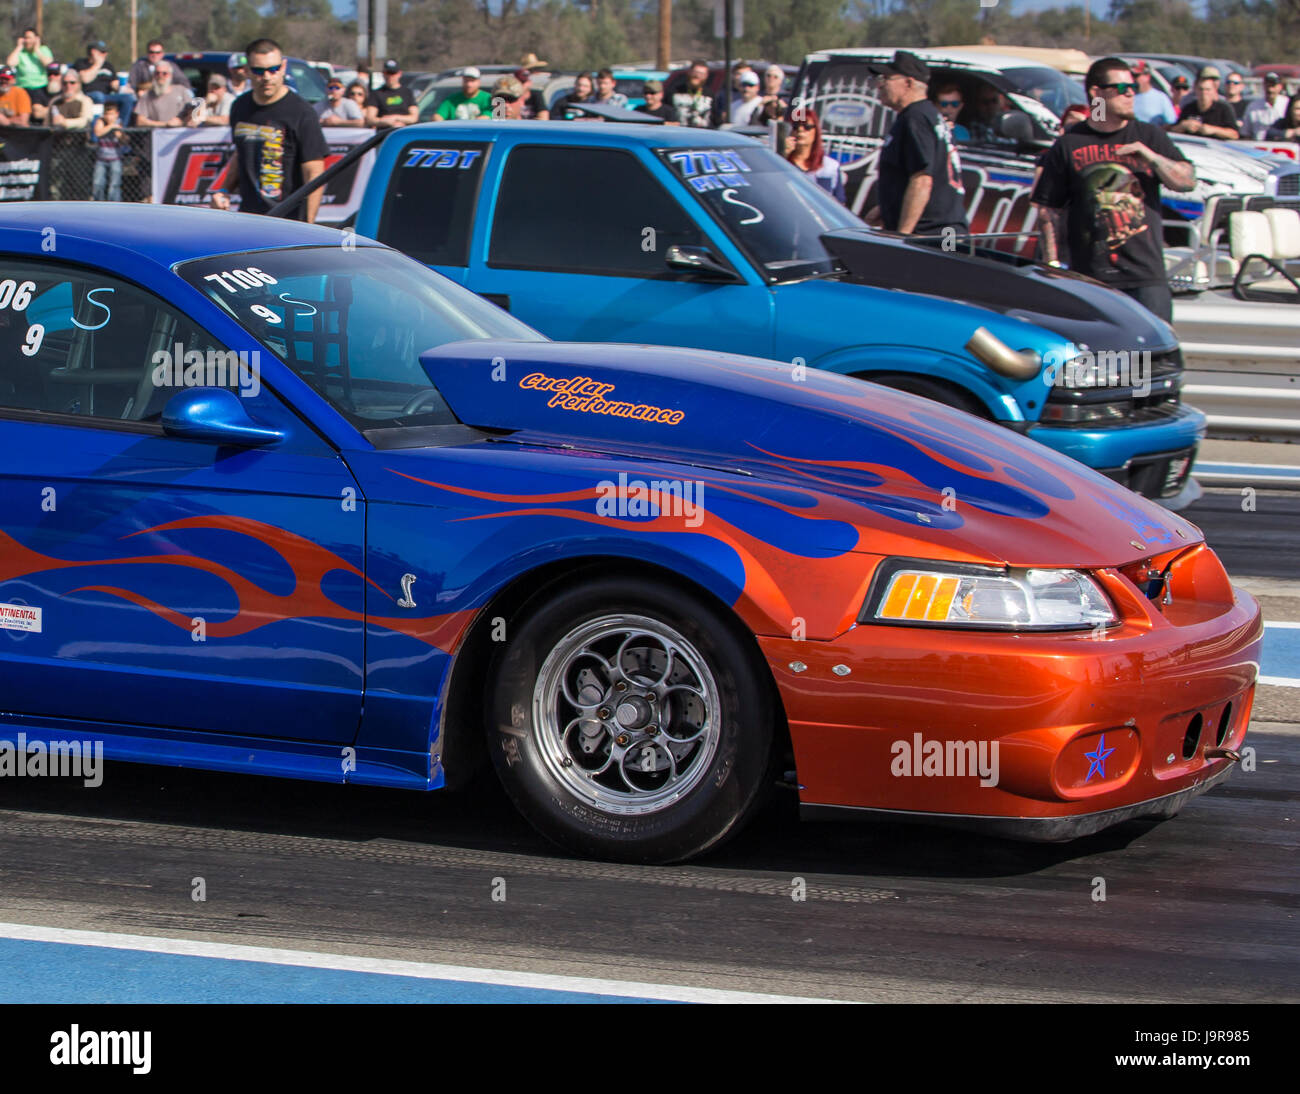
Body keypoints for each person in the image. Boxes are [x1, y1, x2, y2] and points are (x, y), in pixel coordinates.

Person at [1032, 57, 1195, 322]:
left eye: (1132, 87)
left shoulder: (1149, 136)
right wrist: (1052, 266)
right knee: (1100, 359)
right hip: (1090, 277)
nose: (1131, 93)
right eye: (1121, 88)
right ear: (1096, 93)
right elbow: (1049, 211)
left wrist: (1152, 158)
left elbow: (1187, 181)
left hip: (1146, 277)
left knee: (1150, 361)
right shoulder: (1069, 144)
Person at [210, 38, 327, 222]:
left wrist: (309, 225)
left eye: (274, 69)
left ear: (283, 66)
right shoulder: (240, 107)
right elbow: (240, 155)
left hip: (288, 220)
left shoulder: (301, 112)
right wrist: (224, 190)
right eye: (259, 71)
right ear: (247, 71)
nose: (267, 77)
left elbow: (314, 174)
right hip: (248, 217)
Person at [865, 50, 967, 236]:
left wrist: (903, 238)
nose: (879, 85)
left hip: (934, 236)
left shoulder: (916, 118)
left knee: (934, 265)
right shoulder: (925, 114)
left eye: (886, 78)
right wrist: (885, 209)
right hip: (944, 233)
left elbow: (922, 180)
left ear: (908, 83)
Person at [784, 109, 845, 201]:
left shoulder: (830, 166)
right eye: (795, 126)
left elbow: (839, 203)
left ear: (816, 131)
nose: (800, 130)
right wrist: (783, 156)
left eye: (806, 127)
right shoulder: (780, 161)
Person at [74, 40, 134, 125]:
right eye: (102, 52)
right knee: (99, 96)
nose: (105, 54)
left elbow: (114, 83)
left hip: (107, 96)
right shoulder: (81, 63)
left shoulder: (108, 65)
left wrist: (123, 88)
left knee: (128, 98)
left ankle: (120, 128)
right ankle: (98, 128)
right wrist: (98, 64)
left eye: (106, 52)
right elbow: (85, 79)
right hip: (89, 95)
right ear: (93, 52)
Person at [134, 63, 192, 128]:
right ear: (153, 75)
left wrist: (182, 122)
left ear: (170, 75)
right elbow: (140, 121)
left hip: (182, 135)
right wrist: (166, 124)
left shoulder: (181, 90)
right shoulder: (147, 95)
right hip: (158, 136)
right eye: (157, 73)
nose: (160, 76)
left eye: (164, 73)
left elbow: (192, 112)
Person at [366, 59, 417, 128]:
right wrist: (384, 121)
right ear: (383, 74)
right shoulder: (376, 94)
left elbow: (414, 117)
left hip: (404, 132)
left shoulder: (407, 92)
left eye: (393, 73)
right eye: (387, 73)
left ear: (399, 74)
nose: (390, 76)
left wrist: (395, 118)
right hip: (384, 133)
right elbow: (370, 119)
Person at [91, 102, 126, 202]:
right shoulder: (101, 121)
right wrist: (110, 126)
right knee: (97, 183)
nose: (109, 117)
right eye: (107, 114)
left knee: (114, 185)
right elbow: (98, 132)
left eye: (111, 114)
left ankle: (114, 205)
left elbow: (123, 139)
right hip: (101, 159)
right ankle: (99, 204)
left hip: (115, 159)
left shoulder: (119, 122)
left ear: (117, 114)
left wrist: (119, 133)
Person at [1243, 72, 1289, 139]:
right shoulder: (1253, 106)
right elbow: (1246, 133)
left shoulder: (1287, 104)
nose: (1270, 89)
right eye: (1267, 85)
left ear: (1280, 87)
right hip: (1258, 145)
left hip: (1280, 145)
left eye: (1273, 86)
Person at [1131, 60, 1176, 127]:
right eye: (1131, 76)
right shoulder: (1127, 96)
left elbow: (1171, 123)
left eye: (1136, 76)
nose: (1133, 79)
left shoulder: (1161, 98)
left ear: (1147, 77)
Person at [6, 28, 51, 92]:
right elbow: (10, 63)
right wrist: (19, 47)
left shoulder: (43, 49)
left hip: (40, 87)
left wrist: (37, 50)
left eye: (29, 38)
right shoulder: (20, 52)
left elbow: (48, 64)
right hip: (22, 88)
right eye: (25, 38)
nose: (27, 41)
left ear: (36, 39)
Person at [672, 60, 713, 128]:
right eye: (695, 72)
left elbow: (715, 120)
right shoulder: (674, 91)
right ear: (689, 72)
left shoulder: (710, 94)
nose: (697, 76)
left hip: (703, 135)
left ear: (706, 76)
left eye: (701, 74)